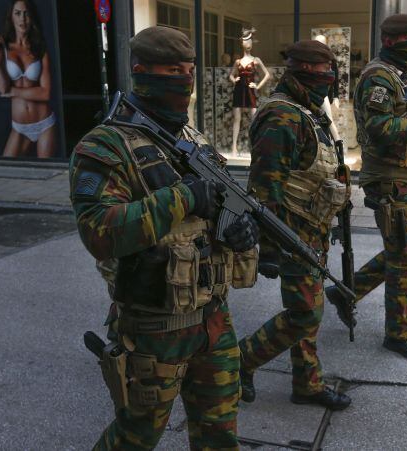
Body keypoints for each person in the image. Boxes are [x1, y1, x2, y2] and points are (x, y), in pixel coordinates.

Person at [69, 26, 260, 450]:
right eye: (174, 70)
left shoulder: (193, 138)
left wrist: (236, 230)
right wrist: (185, 197)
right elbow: (99, 232)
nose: (186, 80)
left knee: (220, 435)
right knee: (135, 437)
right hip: (153, 329)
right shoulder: (106, 145)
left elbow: (217, 211)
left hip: (214, 320)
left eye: (190, 70)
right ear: (141, 71)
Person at [326, 14, 407, 363]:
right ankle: (398, 333)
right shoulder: (378, 76)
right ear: (392, 40)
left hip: (405, 176)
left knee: (406, 250)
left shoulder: (401, 76)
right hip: (388, 178)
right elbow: (379, 127)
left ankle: (345, 291)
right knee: (404, 256)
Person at [237, 40, 352, 410]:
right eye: (323, 76)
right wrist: (269, 249)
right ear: (303, 74)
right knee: (304, 313)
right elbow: (263, 188)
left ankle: (307, 382)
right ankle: (242, 361)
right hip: (290, 233)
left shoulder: (308, 111)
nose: (327, 82)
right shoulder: (282, 116)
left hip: (310, 228)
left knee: (310, 308)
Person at [0, 0, 56, 158]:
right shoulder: (2, 49)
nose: (22, 19)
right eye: (17, 13)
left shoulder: (40, 47)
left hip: (45, 123)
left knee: (45, 176)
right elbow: (2, 88)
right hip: (20, 127)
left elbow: (45, 93)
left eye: (26, 14)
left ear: (31, 17)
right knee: (6, 169)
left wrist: (13, 92)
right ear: (11, 17)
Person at [229, 28, 271, 156]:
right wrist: (234, 79)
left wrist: (257, 86)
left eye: (250, 41)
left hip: (250, 91)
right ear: (242, 43)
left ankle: (255, 146)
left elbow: (267, 75)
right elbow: (231, 75)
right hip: (239, 90)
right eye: (246, 41)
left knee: (254, 119)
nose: (248, 44)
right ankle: (234, 147)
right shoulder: (238, 62)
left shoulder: (256, 60)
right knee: (237, 118)